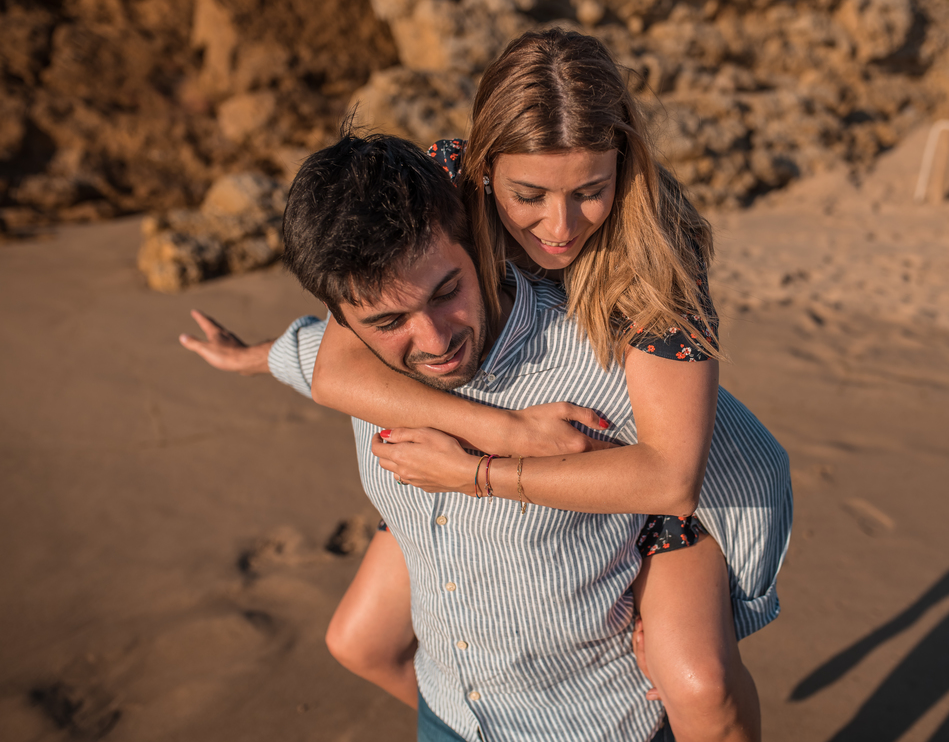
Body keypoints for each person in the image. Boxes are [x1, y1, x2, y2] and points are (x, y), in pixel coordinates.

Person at [184, 130, 791, 741]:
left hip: (590, 722)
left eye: (447, 291)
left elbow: (730, 469)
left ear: (476, 243)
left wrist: (684, 570)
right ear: (343, 323)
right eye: (389, 321)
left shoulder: (598, 369)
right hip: (451, 712)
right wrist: (250, 356)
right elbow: (309, 358)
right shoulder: (357, 370)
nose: (434, 340)